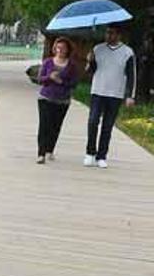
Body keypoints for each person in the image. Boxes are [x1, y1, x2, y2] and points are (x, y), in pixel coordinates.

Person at [84, 24, 137, 168]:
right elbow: (91, 71)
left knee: (107, 126)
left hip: (115, 93)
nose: (108, 36)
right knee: (93, 121)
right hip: (98, 90)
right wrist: (90, 61)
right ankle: (90, 152)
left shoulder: (128, 52)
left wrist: (130, 96)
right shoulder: (97, 49)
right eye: (107, 33)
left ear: (119, 35)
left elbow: (132, 75)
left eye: (112, 33)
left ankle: (102, 156)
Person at [36, 37, 79, 164]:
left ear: (67, 50)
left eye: (63, 48)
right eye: (58, 47)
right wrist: (49, 77)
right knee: (44, 125)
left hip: (62, 100)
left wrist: (62, 82)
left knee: (55, 126)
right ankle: (41, 153)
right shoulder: (48, 62)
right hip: (46, 98)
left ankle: (50, 149)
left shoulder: (72, 66)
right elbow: (40, 79)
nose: (60, 50)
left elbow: (74, 83)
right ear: (54, 49)